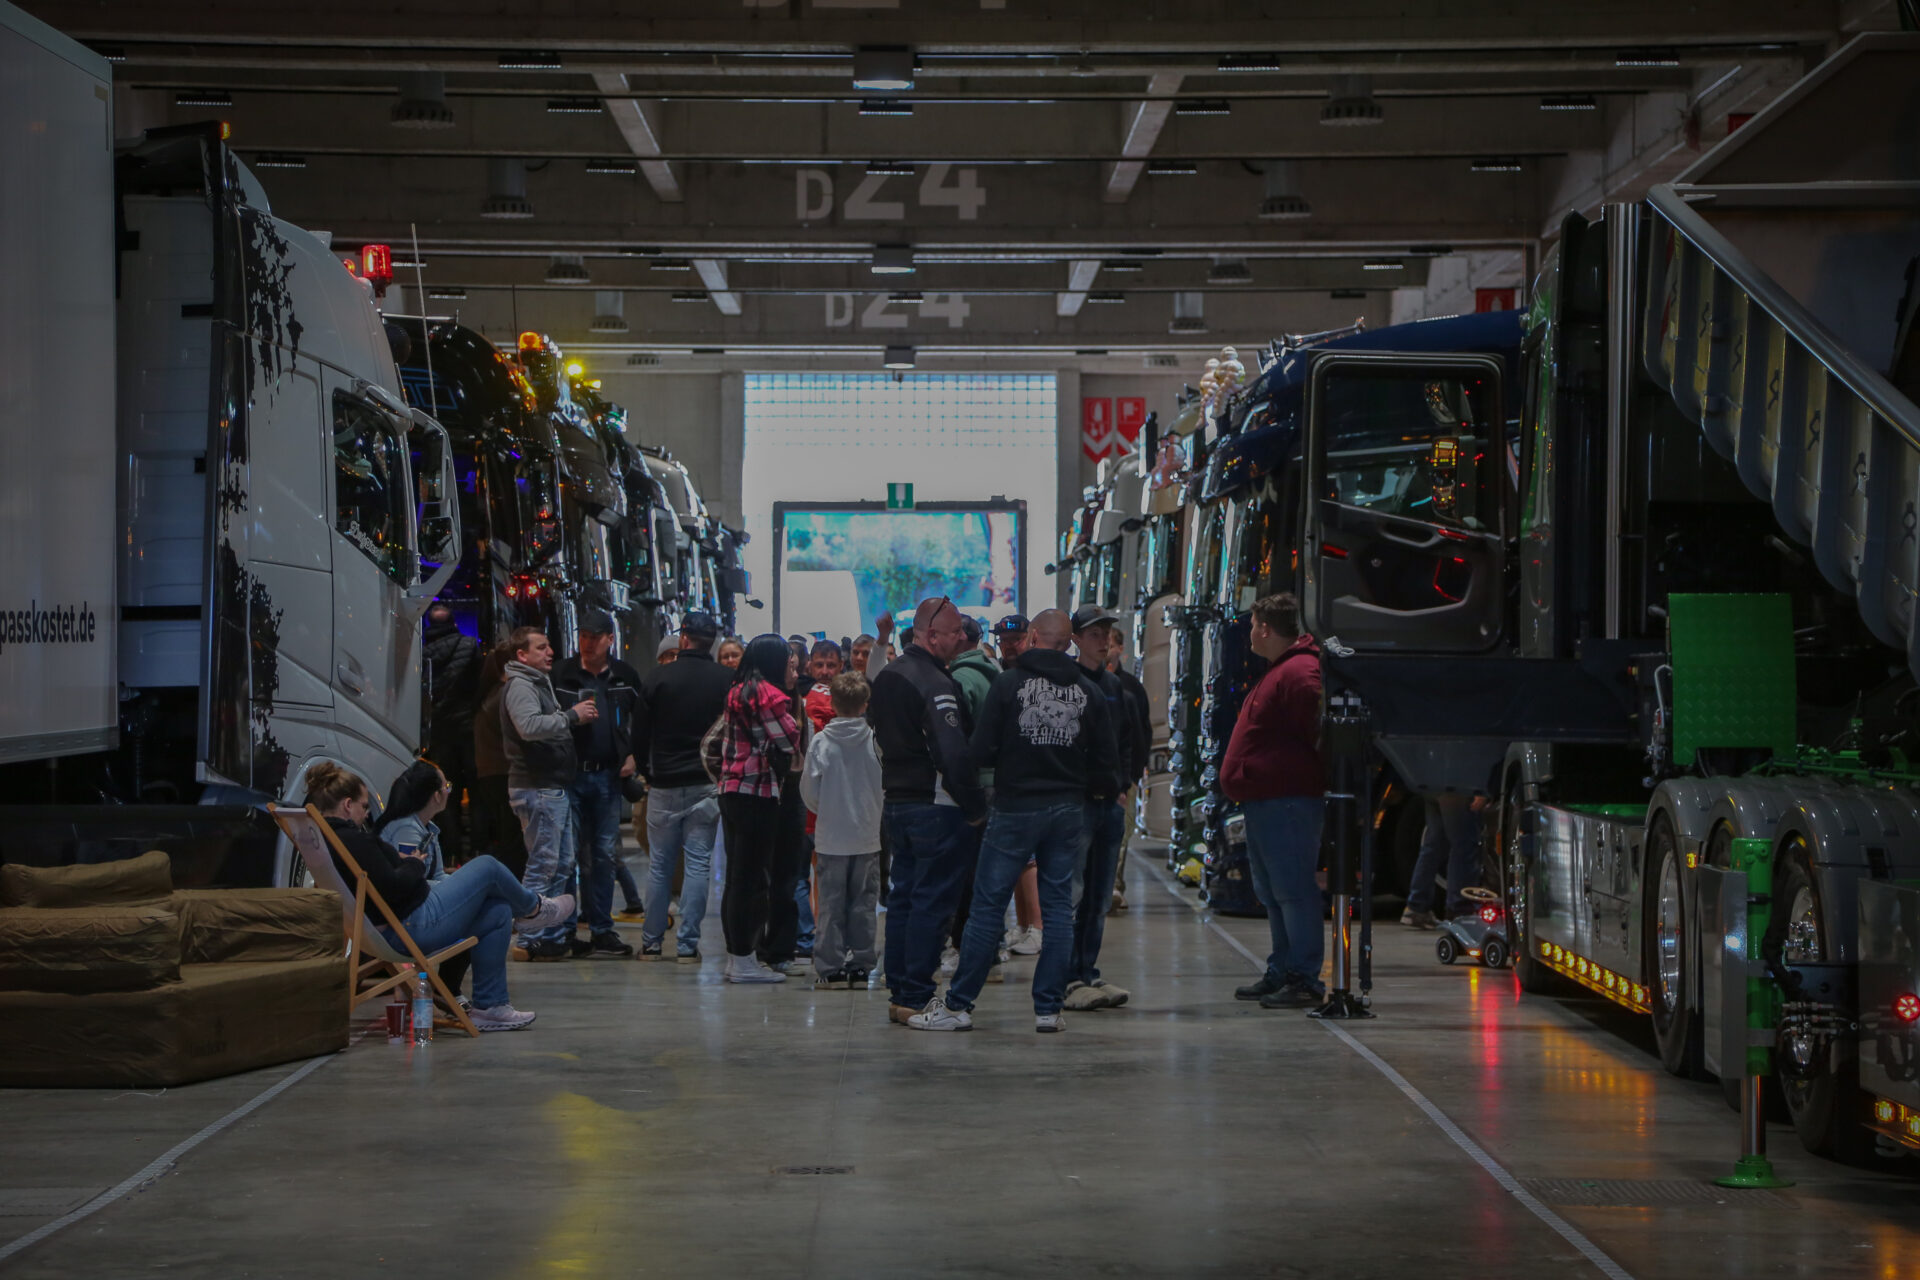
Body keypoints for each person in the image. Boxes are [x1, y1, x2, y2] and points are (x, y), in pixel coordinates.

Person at [909, 609, 1117, 1033]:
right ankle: (1048, 1009)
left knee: (987, 906)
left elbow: (981, 749)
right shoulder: (1088, 692)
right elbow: (1107, 762)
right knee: (1058, 910)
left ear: (1033, 636)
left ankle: (959, 1005)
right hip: (1068, 808)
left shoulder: (1008, 684)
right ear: (1069, 643)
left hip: (1015, 805)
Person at [305, 760, 571, 1031]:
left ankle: (490, 1007)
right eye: (364, 807)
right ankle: (535, 909)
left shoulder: (325, 839)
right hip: (412, 924)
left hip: (390, 927)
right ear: (347, 805)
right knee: (488, 866)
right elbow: (395, 886)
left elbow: (383, 879)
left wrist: (403, 863)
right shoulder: (355, 840)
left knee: (498, 911)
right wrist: (414, 864)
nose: (366, 814)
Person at [869, 596, 986, 1025]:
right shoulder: (935, 683)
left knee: (904, 898)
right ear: (932, 635)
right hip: (936, 805)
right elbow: (951, 751)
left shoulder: (889, 675)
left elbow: (875, 733)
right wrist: (974, 806)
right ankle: (918, 997)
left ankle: (903, 992)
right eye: (955, 632)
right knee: (931, 903)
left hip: (897, 803)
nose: (962, 638)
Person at [1219, 593, 1327, 1009]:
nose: (1249, 633)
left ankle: (1303, 978)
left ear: (1265, 628)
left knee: (1293, 891)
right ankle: (1283, 970)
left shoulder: (1299, 673)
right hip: (1269, 802)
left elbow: (1318, 734)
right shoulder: (1284, 670)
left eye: (1252, 625)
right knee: (1276, 892)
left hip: (1287, 803)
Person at [1059, 606, 1145, 1012]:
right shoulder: (1066, 684)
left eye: (1107, 633)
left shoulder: (1114, 686)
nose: (1103, 640)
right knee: (1071, 896)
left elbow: (1128, 739)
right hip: (1078, 805)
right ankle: (1066, 978)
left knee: (1097, 899)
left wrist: (1124, 784)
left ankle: (1087, 971)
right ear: (1075, 639)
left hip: (1110, 805)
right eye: (1094, 633)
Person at [633, 610, 731, 961]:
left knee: (660, 865)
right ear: (712, 643)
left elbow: (639, 733)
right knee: (698, 863)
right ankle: (688, 945)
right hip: (706, 783)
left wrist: (646, 771)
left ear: (684, 638)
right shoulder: (725, 680)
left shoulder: (658, 678)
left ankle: (651, 942)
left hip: (664, 783)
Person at [501, 626, 598, 960]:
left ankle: (550, 935)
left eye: (549, 646)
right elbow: (528, 727)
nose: (550, 652)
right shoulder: (521, 685)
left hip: (550, 786)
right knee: (544, 865)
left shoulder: (537, 682)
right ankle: (529, 939)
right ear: (522, 655)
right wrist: (571, 716)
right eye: (541, 647)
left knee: (560, 864)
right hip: (537, 787)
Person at [551, 610, 642, 958]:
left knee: (604, 854)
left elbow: (643, 720)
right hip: (570, 775)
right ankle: (566, 930)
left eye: (595, 637)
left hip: (607, 776)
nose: (587, 643)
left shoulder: (625, 676)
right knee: (568, 856)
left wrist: (634, 755)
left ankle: (602, 929)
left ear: (610, 639)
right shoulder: (561, 674)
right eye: (584, 636)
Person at [716, 634, 804, 983]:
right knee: (751, 880)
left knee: (737, 878)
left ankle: (736, 956)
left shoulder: (737, 690)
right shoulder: (767, 694)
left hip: (731, 790)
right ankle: (744, 959)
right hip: (756, 793)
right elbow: (789, 739)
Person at [800, 672, 883, 989]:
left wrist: (828, 810)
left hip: (831, 837)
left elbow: (809, 792)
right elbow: (884, 784)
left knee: (830, 905)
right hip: (866, 836)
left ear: (832, 704)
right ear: (865, 704)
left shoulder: (821, 743)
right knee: (863, 904)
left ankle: (830, 969)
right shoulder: (875, 741)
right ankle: (861, 966)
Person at [423, 603, 480, 865]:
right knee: (477, 792)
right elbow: (479, 685)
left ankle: (451, 853)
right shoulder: (469, 646)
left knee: (447, 792)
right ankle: (478, 850)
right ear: (453, 622)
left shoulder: (423, 655)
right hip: (469, 729)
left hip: (440, 732)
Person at [471, 644, 528, 879]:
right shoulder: (507, 694)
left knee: (506, 838)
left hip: (489, 773)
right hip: (506, 773)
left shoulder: (489, 694)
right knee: (514, 842)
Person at [1104, 643, 1153, 914]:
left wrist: (1134, 775)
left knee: (1121, 834)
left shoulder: (1131, 690)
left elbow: (1141, 734)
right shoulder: (1084, 685)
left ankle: (1114, 886)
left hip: (1124, 779)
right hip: (1096, 780)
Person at [1402, 794, 1483, 928]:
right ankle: (1460, 910)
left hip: (1433, 788)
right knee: (1463, 845)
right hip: (1458, 789)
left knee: (1435, 843)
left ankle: (1417, 906)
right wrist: (1481, 792)